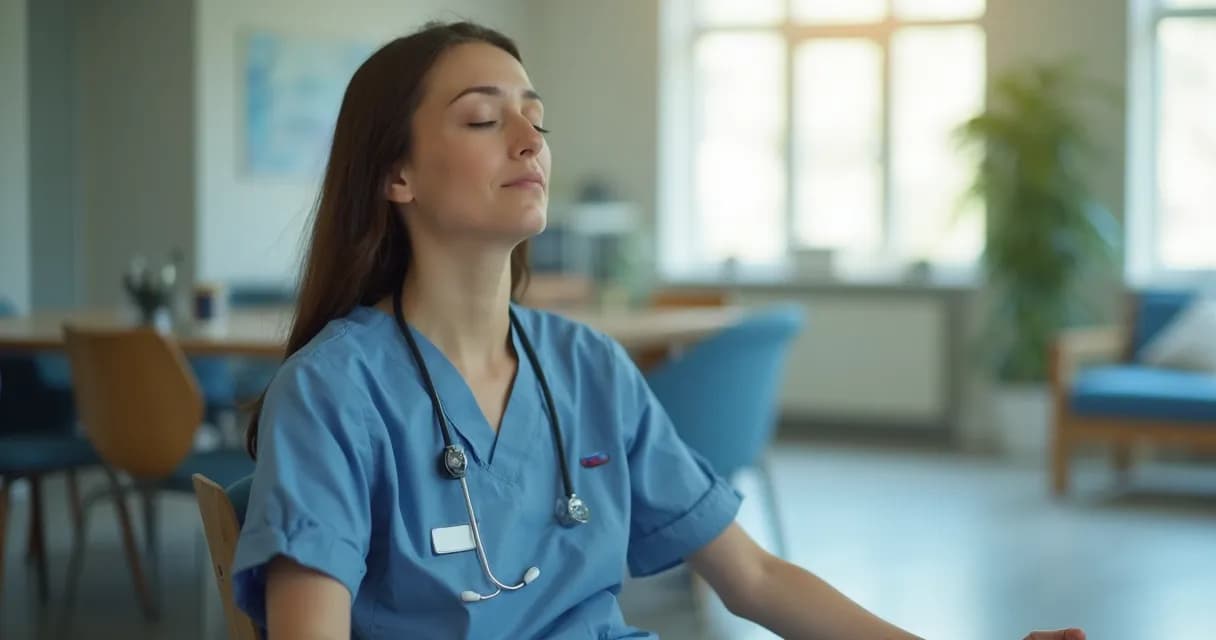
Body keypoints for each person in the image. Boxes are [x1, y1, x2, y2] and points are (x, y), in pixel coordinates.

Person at [230, 20, 1087, 640]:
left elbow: (751, 579)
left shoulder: (588, 366)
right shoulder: (336, 392)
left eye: (537, 117)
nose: (531, 139)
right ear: (397, 175)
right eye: (486, 119)